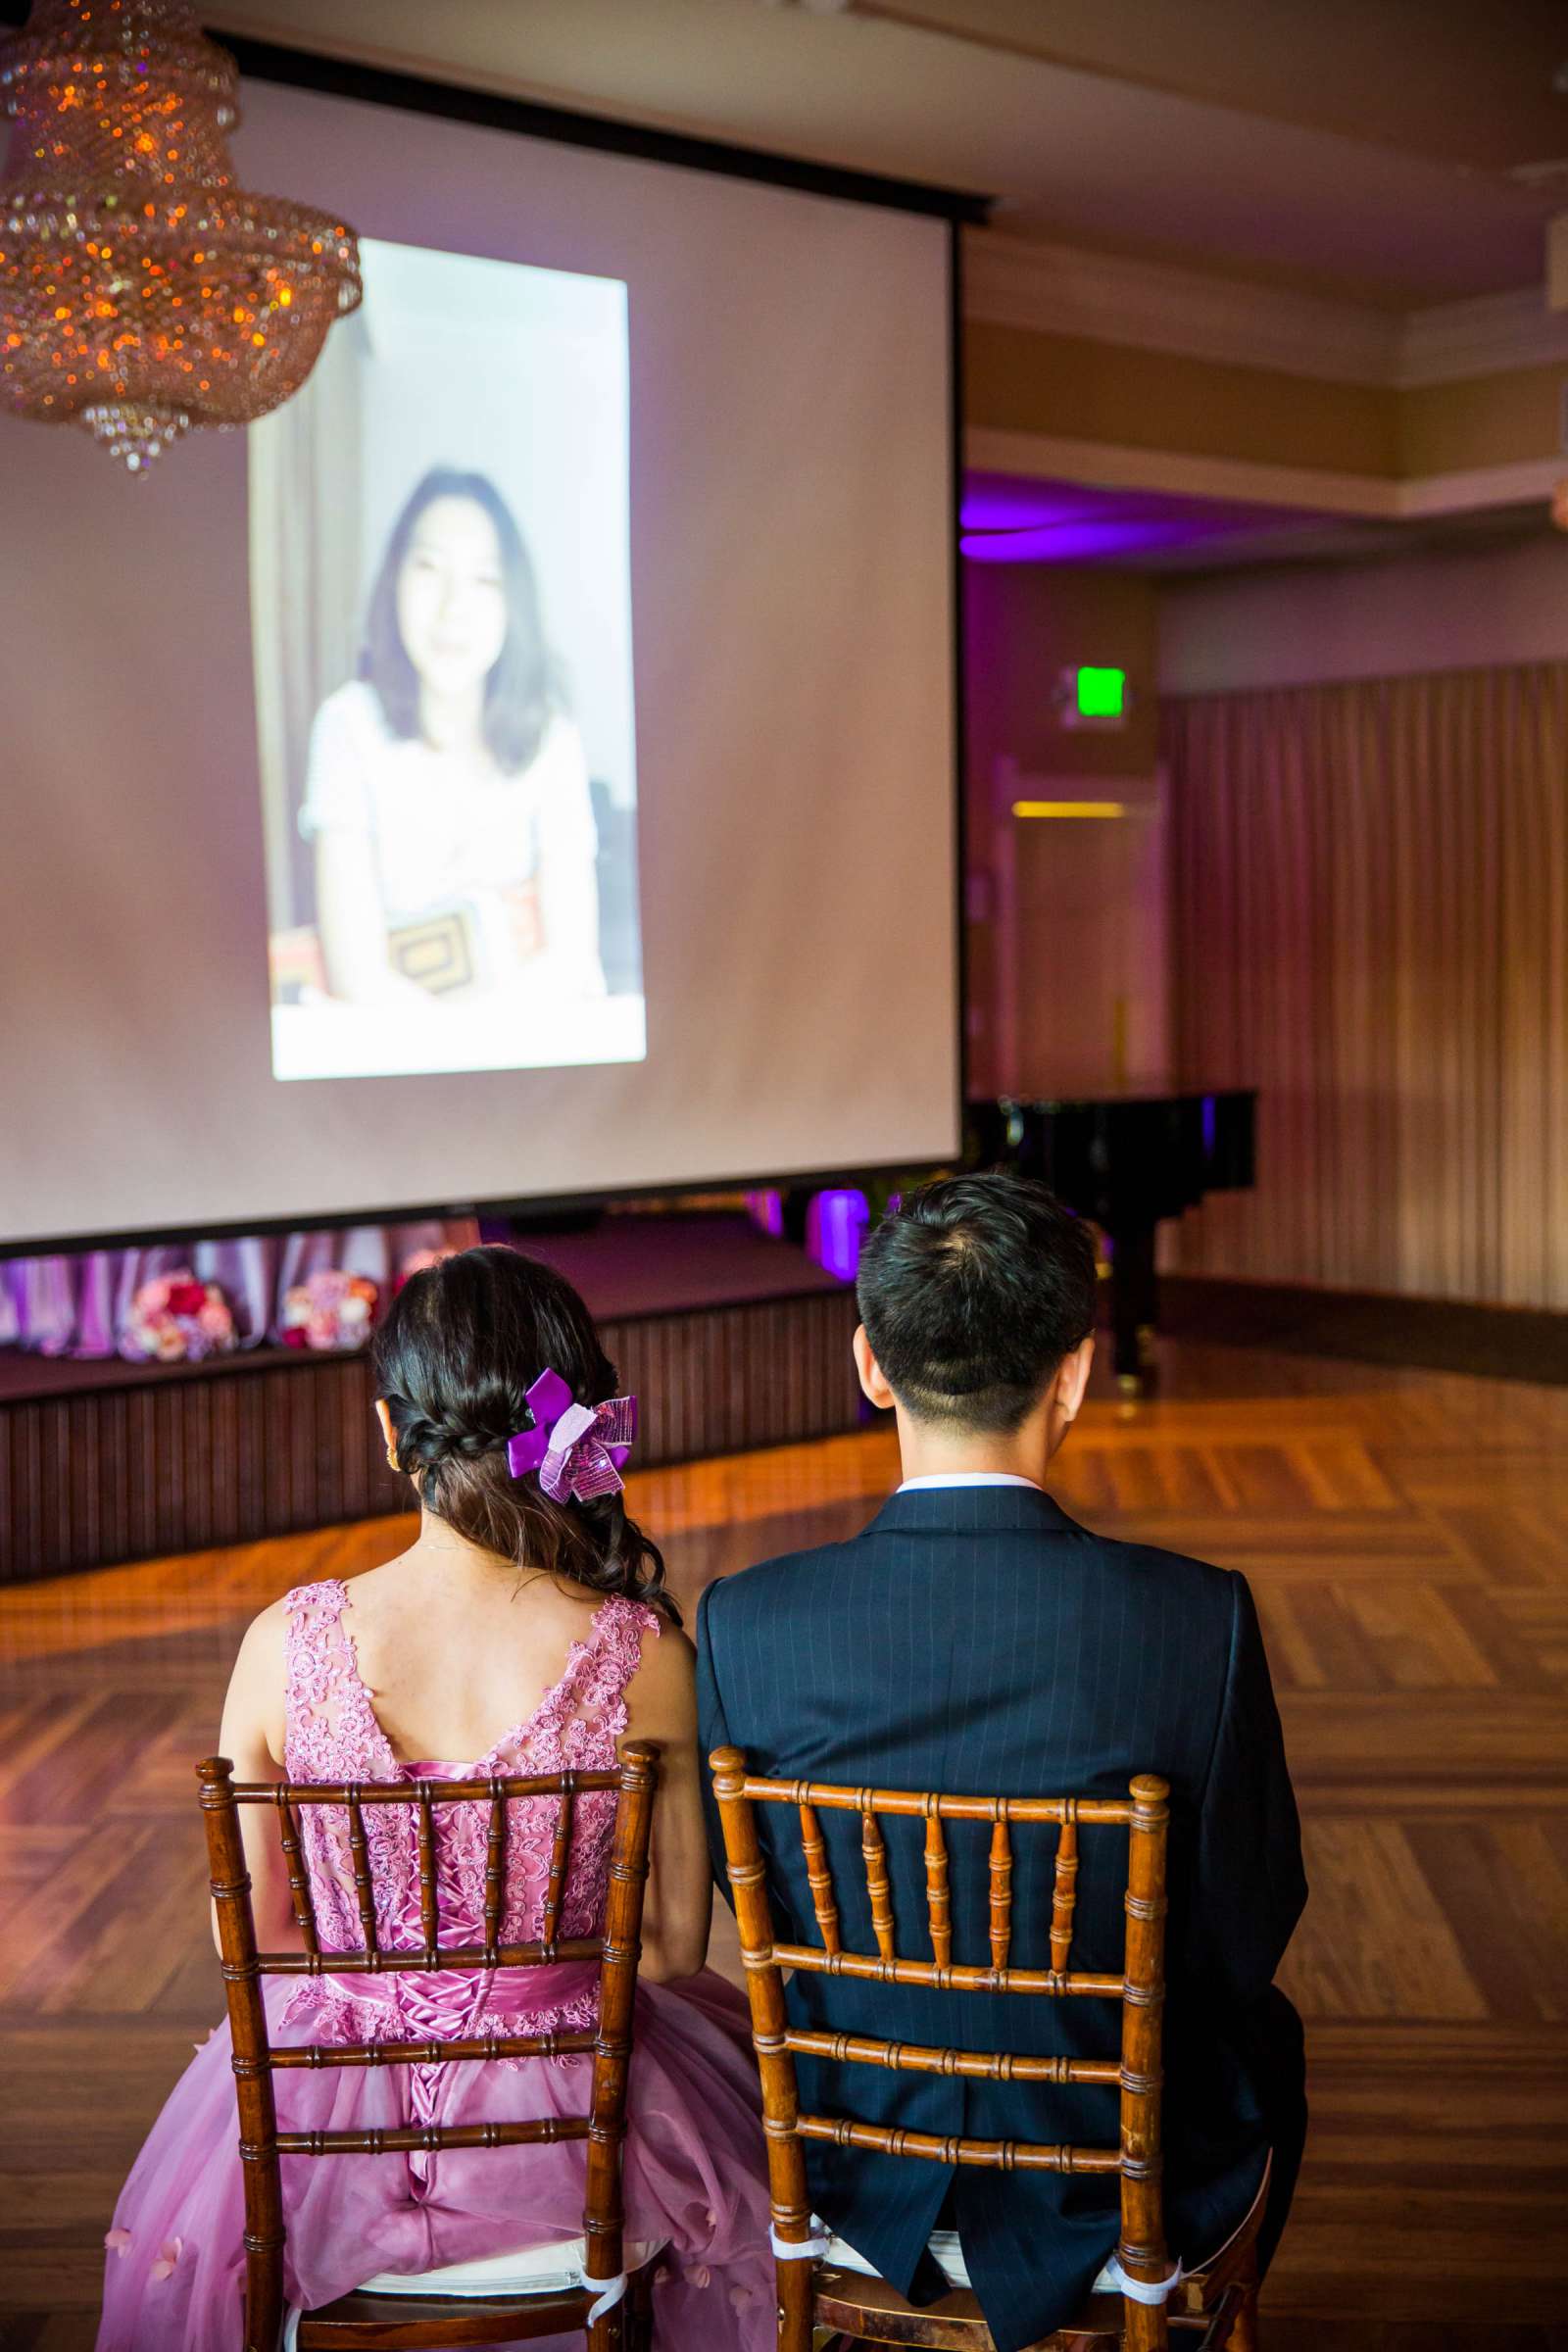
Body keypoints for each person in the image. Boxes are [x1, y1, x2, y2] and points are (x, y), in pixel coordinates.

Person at [98, 1247, 771, 2352]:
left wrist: (391, 1965)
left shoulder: (283, 1645)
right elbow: (663, 1953)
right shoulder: (640, 1653)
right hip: (579, 2134)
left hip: (323, 2131)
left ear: (388, 1430)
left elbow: (264, 1938)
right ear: (576, 1424)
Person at [697, 1170, 1307, 2352]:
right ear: (1073, 1370)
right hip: (1106, 2180)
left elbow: (759, 1906)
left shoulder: (743, 1623)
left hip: (854, 2170)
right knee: (1264, 2035)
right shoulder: (1198, 1620)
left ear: (869, 1364)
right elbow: (1242, 1935)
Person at [300, 468, 607, 1007]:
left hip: (529, 1050)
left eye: (483, 580)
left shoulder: (552, 741)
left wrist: (482, 1044)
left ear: (514, 603)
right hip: (387, 1055)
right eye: (428, 569)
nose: (452, 608)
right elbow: (357, 975)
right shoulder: (347, 728)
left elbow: (570, 960)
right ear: (394, 581)